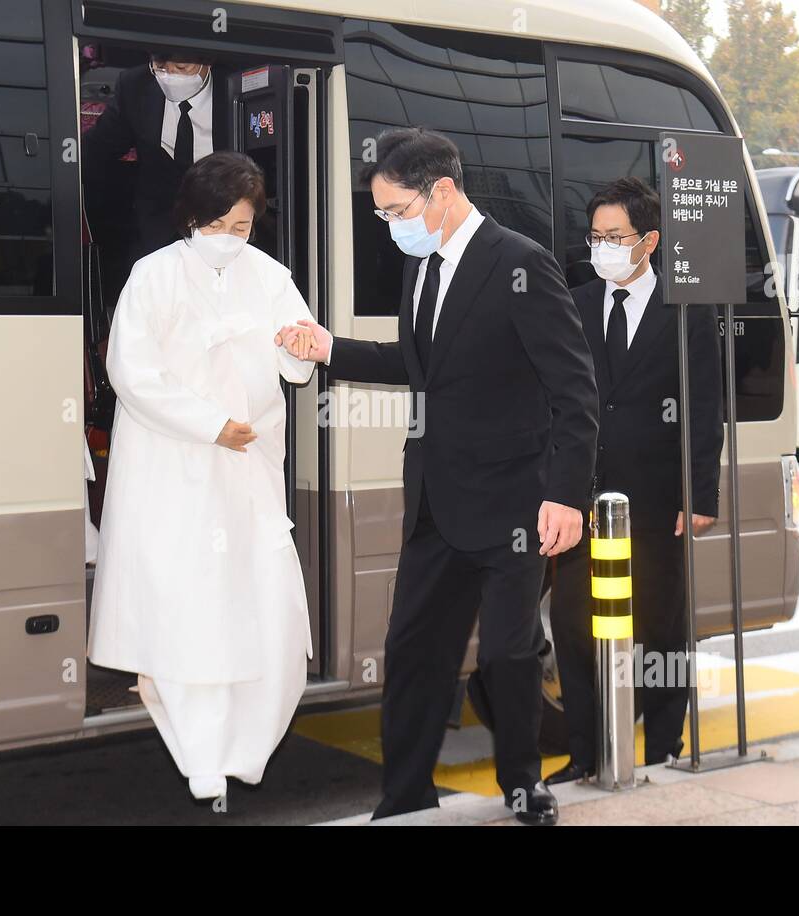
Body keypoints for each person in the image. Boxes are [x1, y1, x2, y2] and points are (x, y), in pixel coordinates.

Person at [276, 128, 598, 825]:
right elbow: (419, 367)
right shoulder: (422, 268)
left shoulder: (521, 264)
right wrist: (330, 347)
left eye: (396, 212)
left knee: (510, 656)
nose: (391, 228)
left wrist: (567, 495)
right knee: (413, 653)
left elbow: (576, 392)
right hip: (435, 504)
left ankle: (523, 786)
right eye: (383, 215)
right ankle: (405, 797)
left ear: (442, 192)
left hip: (515, 503)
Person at [88, 151, 317, 803]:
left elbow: (296, 355)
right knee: (185, 612)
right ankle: (200, 752)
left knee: (259, 605)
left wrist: (297, 347)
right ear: (190, 217)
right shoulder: (153, 276)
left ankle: (247, 747)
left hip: (247, 468)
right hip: (175, 467)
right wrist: (208, 423)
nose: (228, 239)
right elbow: (132, 372)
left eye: (241, 226)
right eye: (216, 223)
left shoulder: (270, 275)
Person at [545, 177, 723, 783]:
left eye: (615, 237)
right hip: (583, 497)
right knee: (572, 622)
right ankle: (586, 750)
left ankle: (664, 744)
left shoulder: (687, 311)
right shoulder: (571, 302)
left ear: (648, 241)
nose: (602, 248)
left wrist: (700, 494)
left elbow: (703, 409)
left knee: (660, 621)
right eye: (595, 237)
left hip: (656, 497)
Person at [82, 52, 229, 263]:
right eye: (160, 66)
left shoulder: (237, 84)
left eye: (181, 67)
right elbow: (96, 149)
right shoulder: (135, 86)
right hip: (157, 233)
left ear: (209, 60)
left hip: (226, 228)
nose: (169, 75)